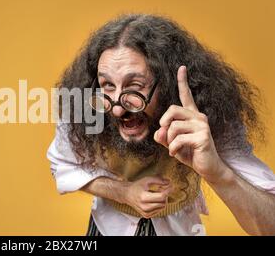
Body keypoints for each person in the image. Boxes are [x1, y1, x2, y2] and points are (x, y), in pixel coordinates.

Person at [47, 14, 275, 236]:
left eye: (134, 85)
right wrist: (123, 192)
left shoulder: (206, 118)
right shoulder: (87, 106)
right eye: (107, 85)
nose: (117, 108)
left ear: (167, 85)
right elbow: (62, 165)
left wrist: (218, 172)